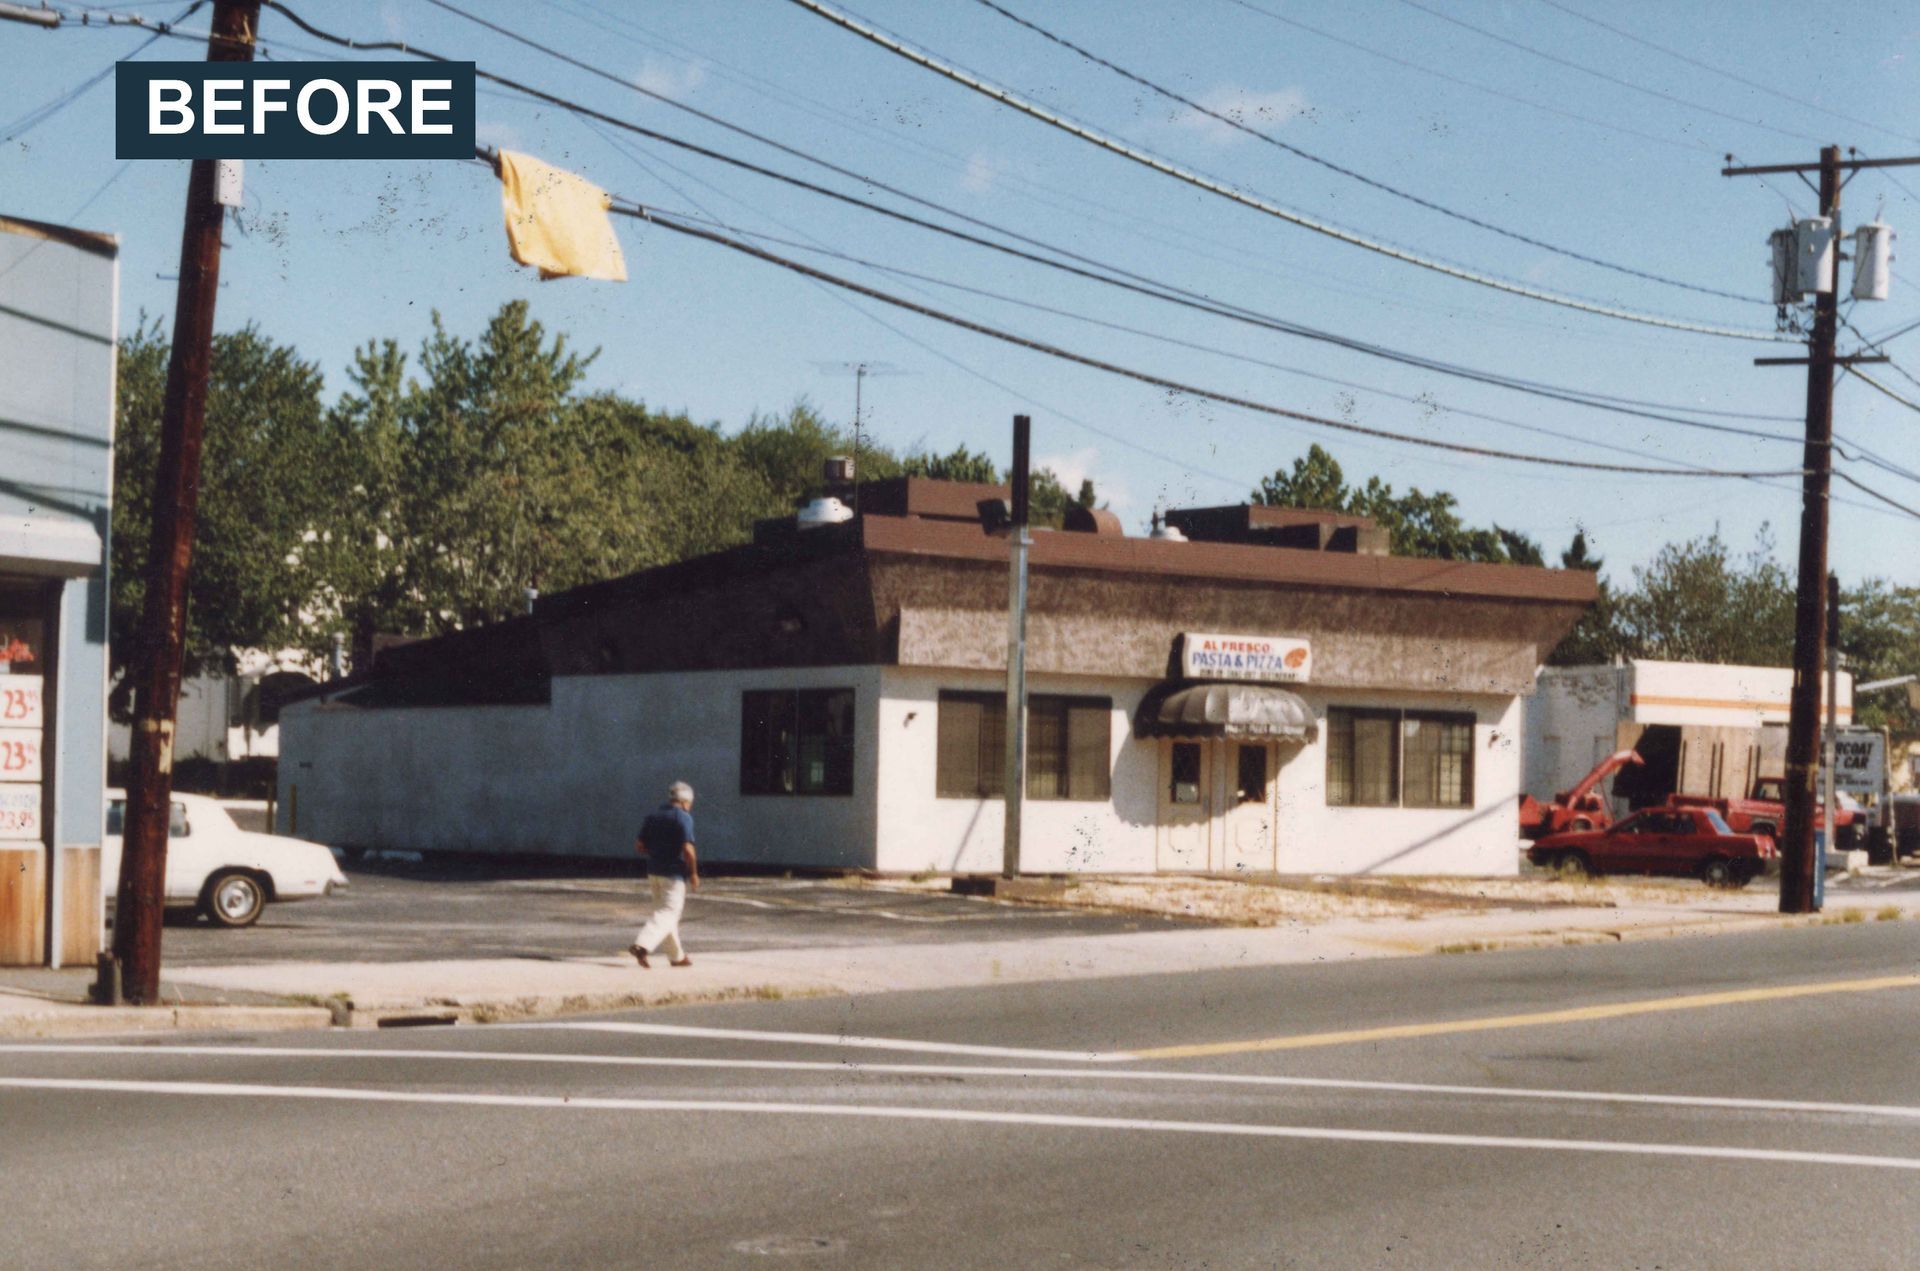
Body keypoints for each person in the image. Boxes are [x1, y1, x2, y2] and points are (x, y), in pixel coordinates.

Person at [630, 781, 699, 969]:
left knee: (665, 915)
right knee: (668, 913)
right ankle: (642, 945)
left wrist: (657, 851)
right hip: (673, 873)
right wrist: (693, 872)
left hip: (653, 871)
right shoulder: (683, 817)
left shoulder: (653, 816)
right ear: (685, 802)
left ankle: (677, 957)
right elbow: (688, 849)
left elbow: (639, 846)